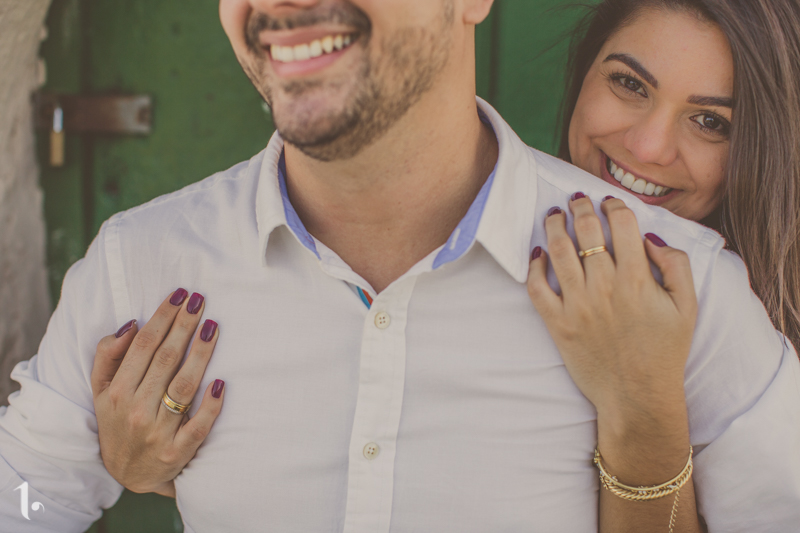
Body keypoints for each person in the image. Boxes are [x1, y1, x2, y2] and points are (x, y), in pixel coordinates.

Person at [1, 0, 798, 532]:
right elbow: (20, 499)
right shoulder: (140, 264)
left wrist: (646, 425)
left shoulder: (683, 290)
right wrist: (64, 479)